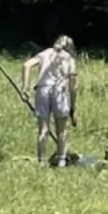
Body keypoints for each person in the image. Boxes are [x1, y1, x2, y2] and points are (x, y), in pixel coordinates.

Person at [21, 36, 79, 167]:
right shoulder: (69, 58)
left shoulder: (45, 53)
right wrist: (73, 106)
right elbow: (73, 84)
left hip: (42, 90)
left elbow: (26, 65)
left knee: (43, 129)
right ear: (70, 47)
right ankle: (61, 161)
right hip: (59, 91)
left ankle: (41, 161)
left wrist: (25, 88)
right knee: (61, 130)